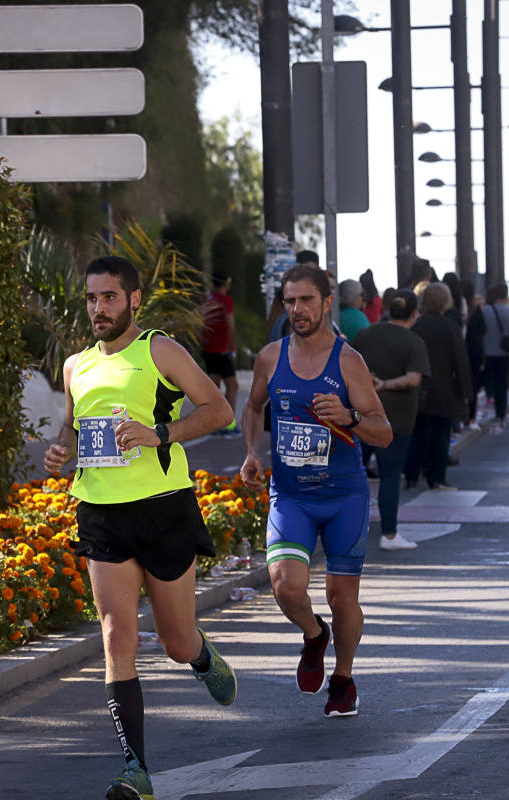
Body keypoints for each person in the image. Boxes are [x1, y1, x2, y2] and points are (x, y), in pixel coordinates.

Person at [43, 256, 236, 800]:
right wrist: (63, 449)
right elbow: (75, 424)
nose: (98, 308)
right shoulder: (75, 364)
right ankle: (136, 771)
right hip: (101, 512)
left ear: (133, 299)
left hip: (163, 508)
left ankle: (199, 654)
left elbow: (217, 409)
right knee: (115, 637)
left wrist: (161, 433)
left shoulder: (158, 350)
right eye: (90, 298)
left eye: (108, 297)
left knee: (174, 642)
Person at [239, 264, 391, 719]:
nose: (297, 310)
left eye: (307, 300)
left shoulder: (348, 362)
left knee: (343, 598)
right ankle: (313, 635)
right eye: (289, 301)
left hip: (343, 496)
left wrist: (349, 417)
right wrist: (251, 451)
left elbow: (383, 432)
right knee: (286, 588)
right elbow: (252, 406)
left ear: (327, 303)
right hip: (292, 495)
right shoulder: (270, 356)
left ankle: (343, 678)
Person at [353, 289, 431, 551]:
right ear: (414, 313)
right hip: (396, 418)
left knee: (352, 473)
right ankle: (389, 535)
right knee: (389, 476)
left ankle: (346, 528)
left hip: (358, 415)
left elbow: (348, 366)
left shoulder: (365, 334)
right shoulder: (414, 342)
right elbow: (413, 379)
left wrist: (369, 381)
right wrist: (385, 384)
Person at [406, 283, 471, 490]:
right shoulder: (450, 327)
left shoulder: (416, 326)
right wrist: (466, 393)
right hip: (445, 390)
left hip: (418, 389)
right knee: (441, 435)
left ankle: (412, 475)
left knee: (417, 433)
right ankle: (437, 476)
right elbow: (460, 362)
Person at [199, 272, 239, 436]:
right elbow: (230, 324)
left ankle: (213, 425)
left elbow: (199, 322)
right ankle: (228, 423)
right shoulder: (225, 300)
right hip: (222, 349)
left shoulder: (206, 300)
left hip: (208, 348)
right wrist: (233, 346)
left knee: (214, 385)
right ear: (226, 283)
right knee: (232, 385)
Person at [479, 283, 509, 425]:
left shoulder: (484, 311)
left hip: (487, 352)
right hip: (503, 353)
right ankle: (501, 414)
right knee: (502, 384)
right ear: (505, 295)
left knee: (488, 380)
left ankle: (489, 398)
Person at [464, 295, 486, 428]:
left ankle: (465, 418)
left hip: (465, 355)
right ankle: (471, 418)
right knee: (473, 387)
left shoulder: (466, 317)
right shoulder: (478, 316)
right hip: (474, 357)